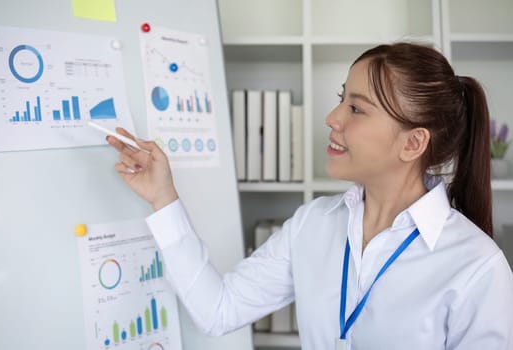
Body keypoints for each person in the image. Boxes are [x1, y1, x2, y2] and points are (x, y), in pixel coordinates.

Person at [106, 42, 513, 349]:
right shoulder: (313, 225)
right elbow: (218, 310)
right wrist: (163, 199)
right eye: (342, 99)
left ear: (412, 143)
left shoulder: (477, 267)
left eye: (357, 109)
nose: (332, 118)